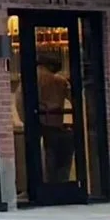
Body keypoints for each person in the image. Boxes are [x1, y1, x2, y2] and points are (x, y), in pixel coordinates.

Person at [36, 48, 75, 185]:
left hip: (40, 124)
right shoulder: (59, 81)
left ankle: (46, 184)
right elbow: (72, 99)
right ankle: (59, 185)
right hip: (54, 124)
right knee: (58, 159)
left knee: (47, 158)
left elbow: (20, 102)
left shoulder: (32, 78)